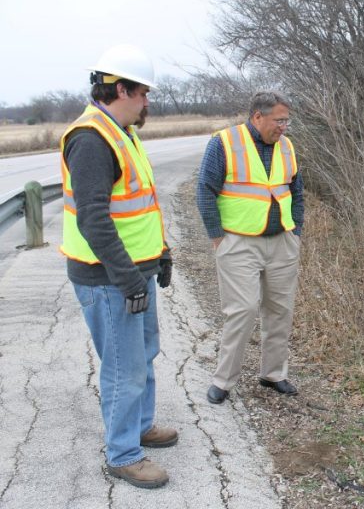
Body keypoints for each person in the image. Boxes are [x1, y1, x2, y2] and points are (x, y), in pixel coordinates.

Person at [60, 44, 177, 489]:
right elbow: (93, 218)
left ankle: (140, 426)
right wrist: (129, 278)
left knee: (142, 357)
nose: (147, 102)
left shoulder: (122, 131)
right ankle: (123, 453)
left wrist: (159, 254)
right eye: (143, 93)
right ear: (121, 89)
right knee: (122, 368)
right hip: (109, 279)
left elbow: (140, 206)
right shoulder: (91, 139)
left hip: (133, 272)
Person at [197, 91, 304, 404]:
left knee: (280, 311)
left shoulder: (286, 146)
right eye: (279, 120)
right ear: (258, 116)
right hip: (238, 242)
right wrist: (218, 237)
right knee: (242, 310)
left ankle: (274, 374)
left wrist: (296, 230)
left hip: (282, 241)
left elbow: (296, 191)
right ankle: (223, 380)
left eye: (287, 120)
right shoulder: (224, 143)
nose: (284, 126)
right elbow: (205, 190)